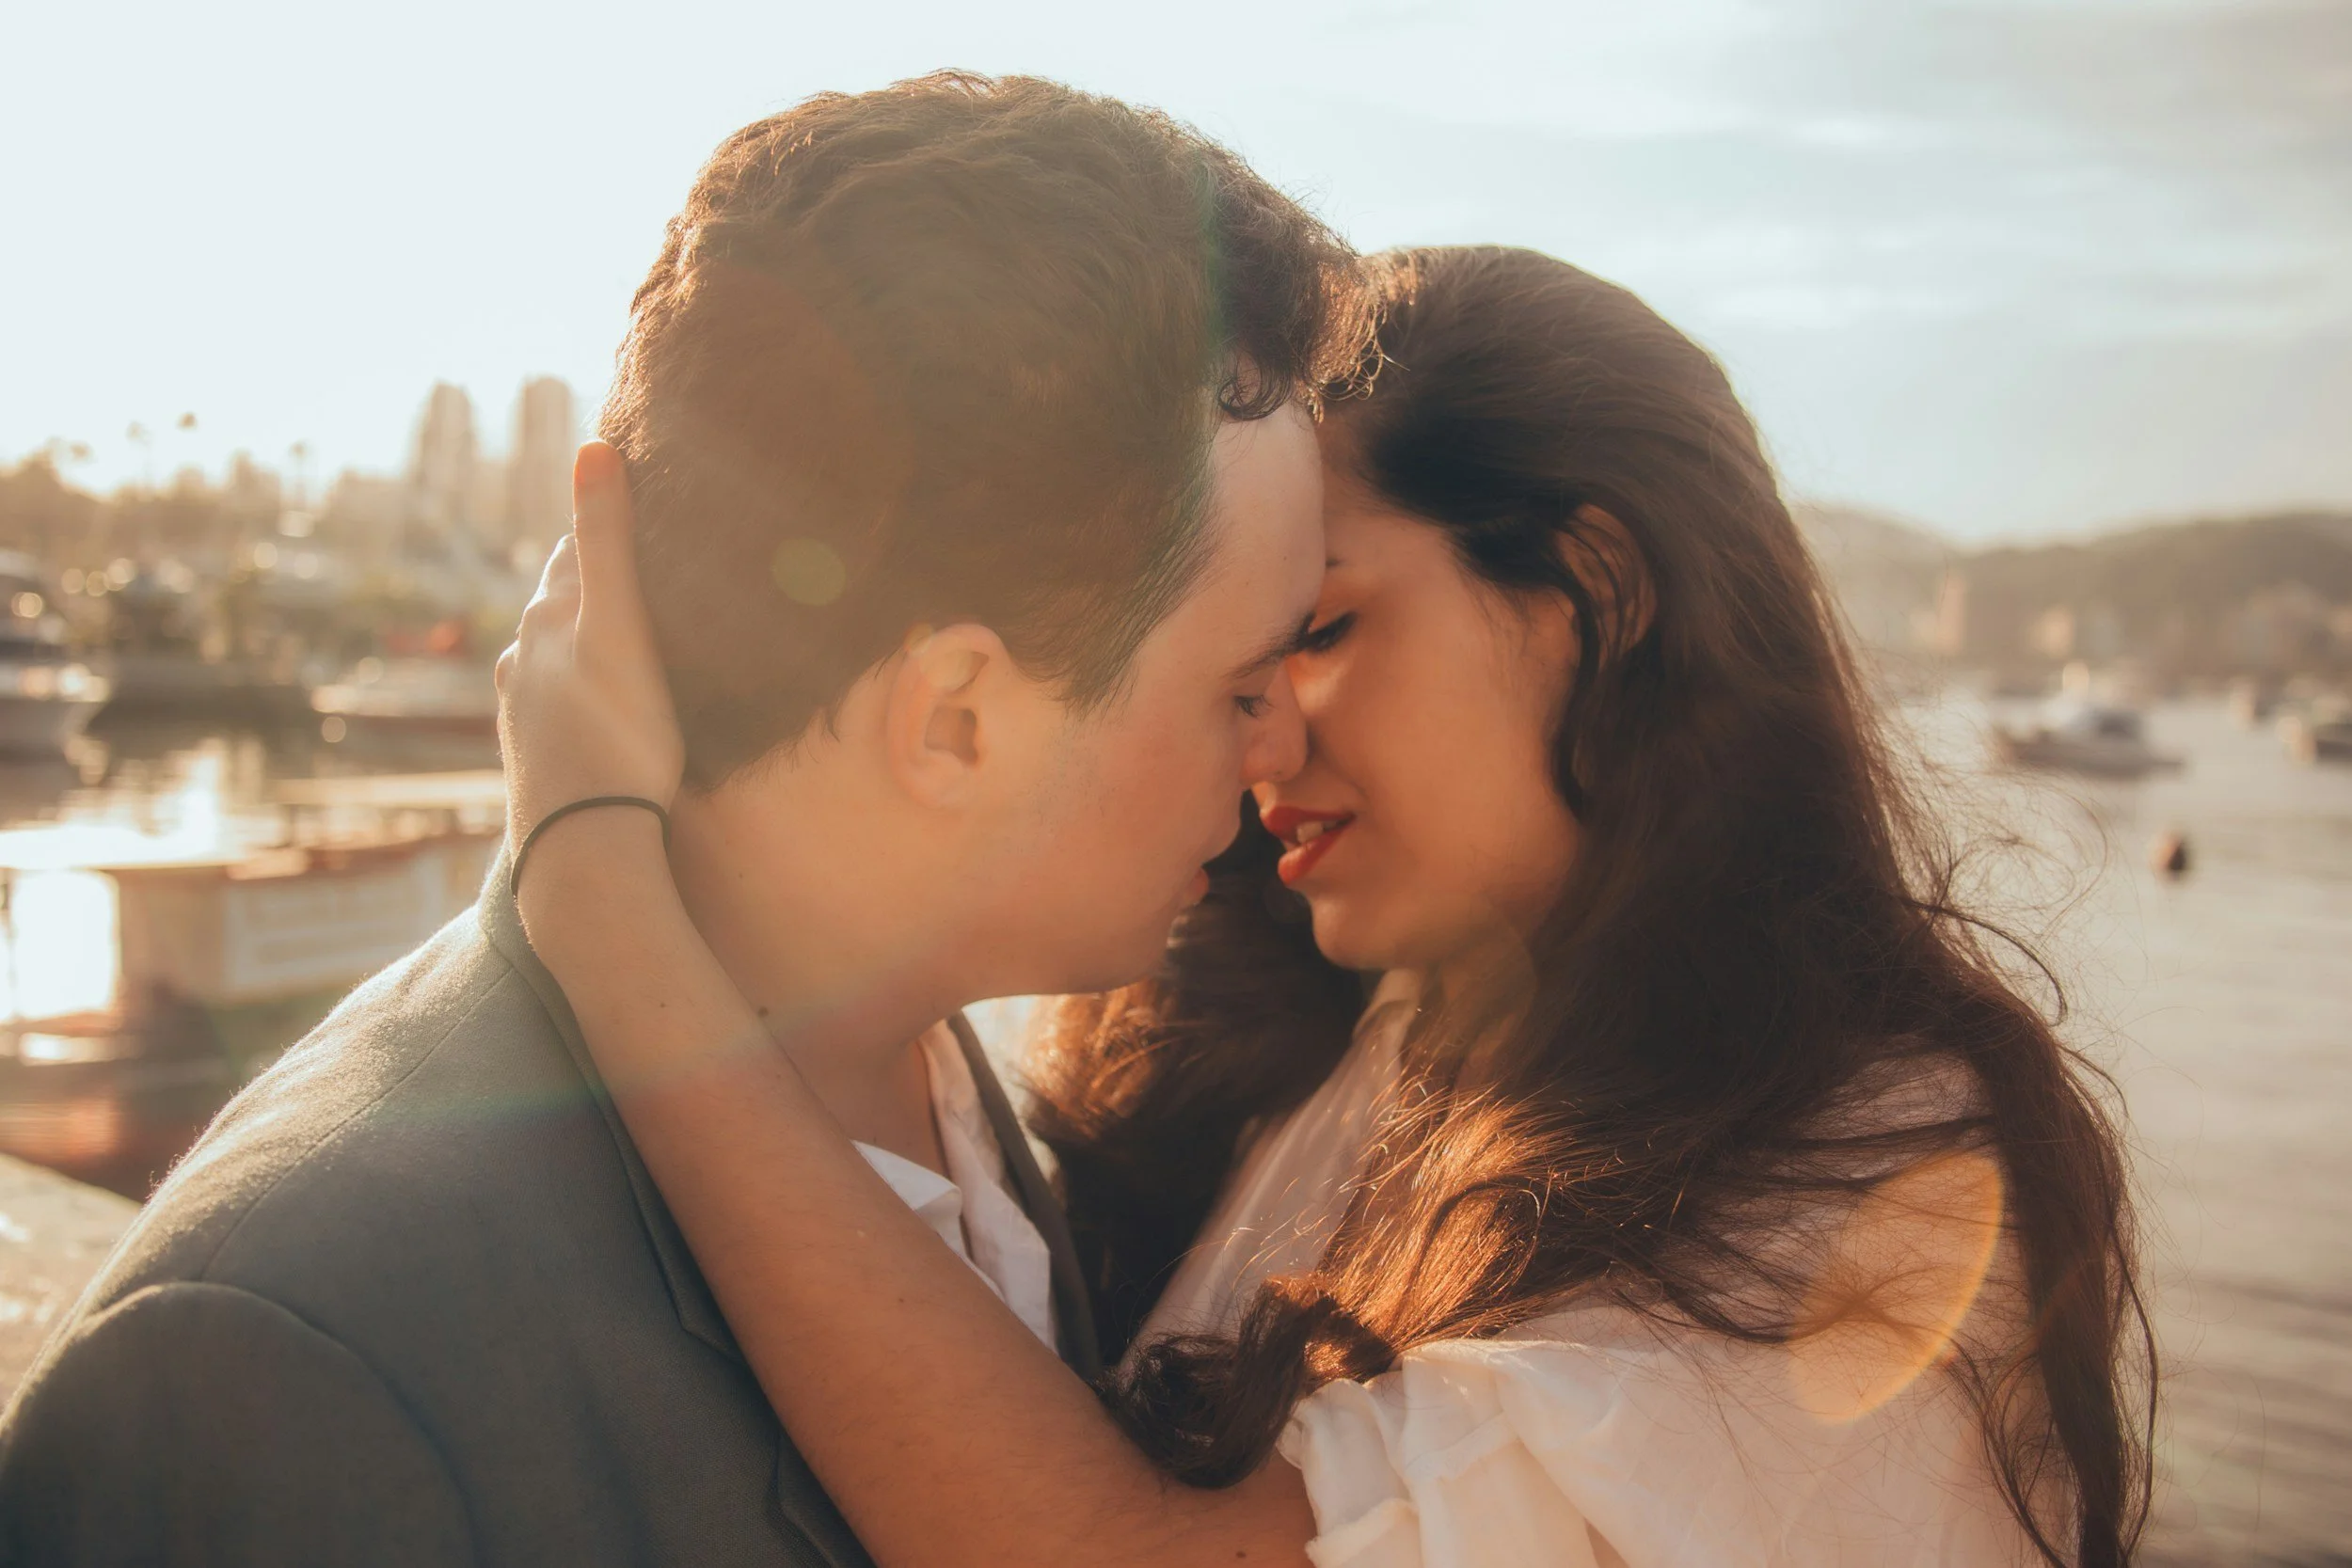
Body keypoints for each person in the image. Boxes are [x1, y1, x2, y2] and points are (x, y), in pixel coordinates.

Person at [497, 246, 2153, 1567]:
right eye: (1243, 650)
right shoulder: (1364, 1037)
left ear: (1597, 590)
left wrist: (594, 879)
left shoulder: (1874, 1175)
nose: (1261, 721)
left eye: (1329, 625)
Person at [0, 73, 1366, 1565]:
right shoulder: (285, 1368)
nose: (1278, 745)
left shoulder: (932, 1066)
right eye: (1239, 685)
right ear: (956, 720)